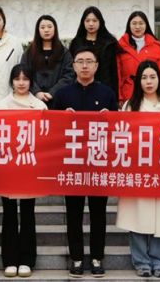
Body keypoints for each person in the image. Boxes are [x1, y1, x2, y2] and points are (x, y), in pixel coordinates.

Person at [54, 46, 118, 278]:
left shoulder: (107, 93)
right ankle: (77, 258)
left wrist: (109, 119)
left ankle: (97, 257)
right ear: (73, 66)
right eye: (80, 61)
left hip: (99, 161)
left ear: (97, 66)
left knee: (98, 213)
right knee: (74, 213)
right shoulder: (63, 94)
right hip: (72, 163)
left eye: (89, 61)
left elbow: (118, 129)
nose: (84, 66)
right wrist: (63, 119)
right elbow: (52, 129)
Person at [117, 61, 160, 278]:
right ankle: (141, 261)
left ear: (159, 80)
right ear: (138, 81)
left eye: (153, 77)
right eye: (144, 77)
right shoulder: (129, 106)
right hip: (138, 169)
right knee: (137, 215)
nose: (149, 82)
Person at [0, 64, 47, 278]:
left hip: (30, 165)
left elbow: (47, 136)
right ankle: (9, 260)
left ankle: (26, 260)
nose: (21, 83)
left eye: (25, 79)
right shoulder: (1, 106)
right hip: (8, 166)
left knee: (27, 213)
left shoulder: (40, 106)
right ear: (12, 81)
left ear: (31, 81)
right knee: (8, 214)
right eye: (17, 79)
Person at [21, 15, 75, 110]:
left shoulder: (64, 52)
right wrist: (36, 92)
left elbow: (69, 75)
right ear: (38, 30)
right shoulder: (29, 53)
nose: (46, 30)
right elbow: (24, 74)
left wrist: (53, 92)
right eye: (42, 27)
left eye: (50, 27)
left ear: (55, 29)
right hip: (33, 101)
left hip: (59, 101)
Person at [116, 11, 160, 108]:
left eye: (141, 23)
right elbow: (117, 74)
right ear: (129, 25)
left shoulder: (156, 47)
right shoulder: (120, 47)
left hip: (151, 95)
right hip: (128, 94)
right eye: (134, 23)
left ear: (146, 25)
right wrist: (119, 97)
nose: (137, 27)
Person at [69, 6, 119, 99]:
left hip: (104, 90)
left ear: (100, 22)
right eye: (87, 21)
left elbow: (113, 72)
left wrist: (115, 96)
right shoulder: (76, 43)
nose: (91, 24)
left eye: (94, 21)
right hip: (80, 90)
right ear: (83, 22)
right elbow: (71, 70)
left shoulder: (109, 44)